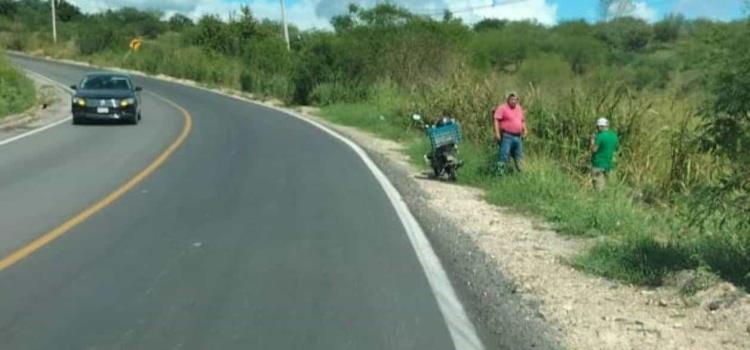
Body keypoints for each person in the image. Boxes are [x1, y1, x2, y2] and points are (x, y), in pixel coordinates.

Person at [493, 92, 527, 174]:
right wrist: (497, 133)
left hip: (518, 137)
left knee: (519, 155)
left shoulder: (519, 108)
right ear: (508, 99)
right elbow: (496, 120)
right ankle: (499, 173)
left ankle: (521, 174)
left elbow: (522, 121)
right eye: (512, 99)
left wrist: (525, 130)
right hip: (507, 136)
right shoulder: (502, 108)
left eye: (515, 99)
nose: (513, 101)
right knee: (504, 155)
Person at [590, 117, 619, 191]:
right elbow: (616, 148)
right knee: (610, 187)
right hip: (609, 164)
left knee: (599, 188)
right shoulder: (614, 136)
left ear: (600, 126)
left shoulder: (600, 136)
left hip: (598, 164)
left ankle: (598, 201)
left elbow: (594, 150)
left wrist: (592, 140)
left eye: (597, 127)